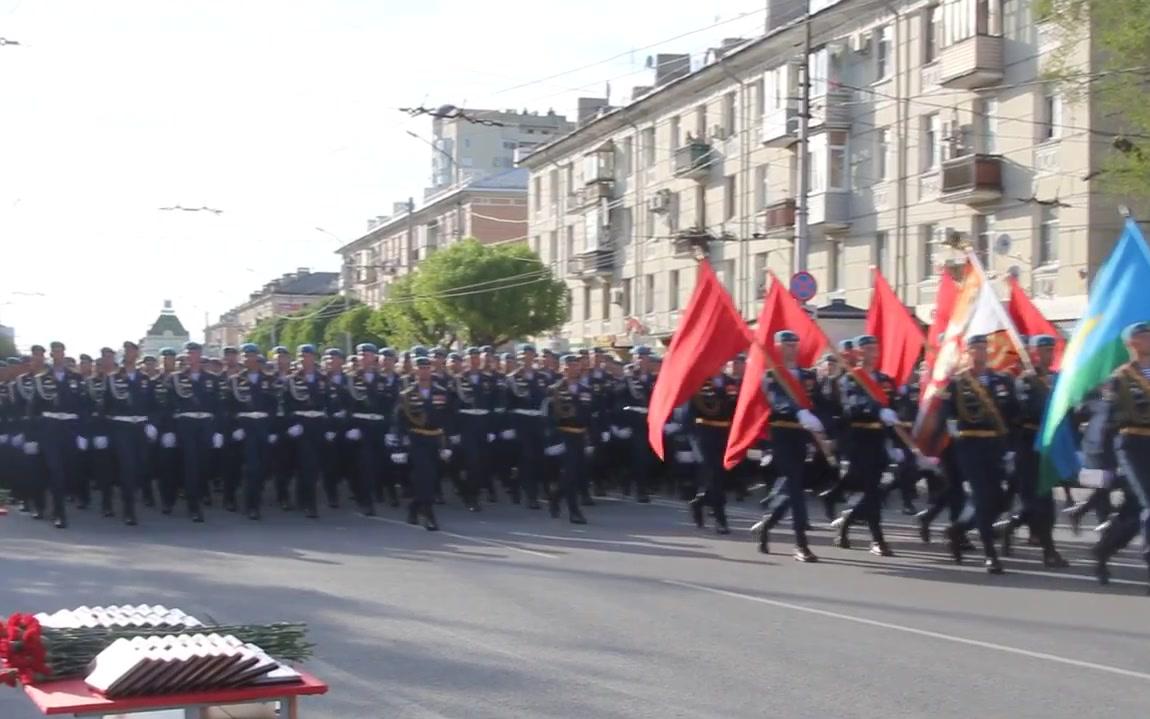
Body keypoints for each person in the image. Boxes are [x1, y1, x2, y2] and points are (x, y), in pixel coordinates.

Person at [939, 334, 1018, 574]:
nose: (981, 352)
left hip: (996, 445)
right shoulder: (957, 383)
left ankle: (958, 529)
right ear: (968, 352)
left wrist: (1010, 448)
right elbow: (947, 413)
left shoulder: (1002, 380)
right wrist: (953, 430)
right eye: (976, 348)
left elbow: (1012, 414)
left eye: (984, 348)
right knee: (983, 499)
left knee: (999, 500)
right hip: (970, 445)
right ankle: (990, 555)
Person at [750, 331, 827, 562]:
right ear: (777, 348)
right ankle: (800, 544)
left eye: (794, 344)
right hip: (782, 435)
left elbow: (821, 404)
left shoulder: (808, 375)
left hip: (803, 436)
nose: (791, 348)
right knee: (794, 488)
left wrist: (825, 430)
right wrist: (799, 411)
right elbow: (777, 401)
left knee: (792, 489)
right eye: (786, 345)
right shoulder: (772, 375)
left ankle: (766, 525)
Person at [1087, 321, 1150, 590]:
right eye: (1143, 335)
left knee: (1135, 512)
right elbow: (1105, 420)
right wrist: (1100, 463)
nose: (1148, 339)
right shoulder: (1120, 378)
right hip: (1132, 444)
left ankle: (1103, 550)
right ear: (1131, 343)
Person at [997, 335, 1069, 567]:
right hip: (1028, 444)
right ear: (1034, 353)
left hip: (1050, 445)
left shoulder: (1057, 378)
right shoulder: (1026, 381)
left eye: (1050, 350)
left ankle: (1010, 527)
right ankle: (1049, 551)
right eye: (1043, 350)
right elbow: (1031, 409)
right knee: (1036, 501)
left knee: (1045, 501)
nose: (1048, 354)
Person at [832, 335, 899, 557]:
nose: (872, 352)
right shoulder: (850, 379)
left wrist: (895, 442)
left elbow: (894, 409)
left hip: (880, 440)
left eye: (874, 348)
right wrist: (877, 410)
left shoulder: (885, 380)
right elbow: (852, 406)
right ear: (858, 353)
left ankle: (846, 521)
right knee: (870, 491)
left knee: (876, 491)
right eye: (867, 349)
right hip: (860, 441)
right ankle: (877, 539)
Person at [28, 342, 88, 528]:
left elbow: (83, 407)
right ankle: (57, 512)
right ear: (51, 356)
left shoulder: (76, 378)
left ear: (64, 354)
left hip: (69, 429)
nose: (57, 355)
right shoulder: (41, 379)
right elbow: (33, 409)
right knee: (53, 470)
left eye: (60, 351)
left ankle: (56, 507)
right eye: (54, 352)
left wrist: (82, 434)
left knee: (66, 470)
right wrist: (32, 437)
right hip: (49, 429)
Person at [166, 341, 224, 523]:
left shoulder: (212, 379)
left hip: (206, 424)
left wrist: (218, 431)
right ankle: (194, 506)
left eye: (196, 353)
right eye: (189, 354)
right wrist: (169, 430)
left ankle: (194, 494)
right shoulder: (175, 378)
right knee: (190, 464)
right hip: (186, 424)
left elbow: (219, 407)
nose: (192, 357)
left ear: (200, 356)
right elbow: (168, 405)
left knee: (204, 465)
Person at [393, 356, 453, 530]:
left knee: (433, 477)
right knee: (424, 475)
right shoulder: (407, 394)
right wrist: (398, 446)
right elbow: (399, 421)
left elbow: (448, 419)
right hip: (417, 439)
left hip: (436, 439)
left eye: (427, 368)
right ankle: (429, 514)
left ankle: (414, 506)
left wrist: (447, 444)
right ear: (414, 370)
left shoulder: (441, 392)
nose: (424, 371)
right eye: (420, 368)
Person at [102, 341, 157, 526]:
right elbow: (105, 407)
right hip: (121, 428)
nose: (130, 354)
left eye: (133, 351)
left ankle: (129, 494)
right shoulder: (112, 378)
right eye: (127, 351)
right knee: (128, 467)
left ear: (137, 354)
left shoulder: (144, 379)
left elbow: (152, 406)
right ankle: (129, 509)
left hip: (140, 427)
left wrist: (151, 424)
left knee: (141, 466)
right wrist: (106, 431)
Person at [225, 344, 279, 520]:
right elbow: (229, 408)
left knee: (264, 467)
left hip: (263, 427)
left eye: (252, 355)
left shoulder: (269, 380)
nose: (249, 359)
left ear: (258, 358)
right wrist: (236, 428)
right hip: (245, 427)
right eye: (246, 356)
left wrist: (272, 429)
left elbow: (274, 407)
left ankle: (253, 497)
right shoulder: (234, 380)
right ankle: (251, 505)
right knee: (250, 467)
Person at [541, 354, 592, 524]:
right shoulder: (554, 389)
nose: (575, 369)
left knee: (577, 474)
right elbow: (547, 417)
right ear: (564, 368)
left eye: (577, 366)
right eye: (571, 366)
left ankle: (555, 496)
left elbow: (590, 416)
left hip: (580, 435)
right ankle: (574, 511)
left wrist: (591, 439)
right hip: (564, 434)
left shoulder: (586, 390)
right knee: (570, 473)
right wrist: (553, 441)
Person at [282, 344, 329, 518]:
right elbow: (284, 405)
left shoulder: (323, 379)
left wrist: (328, 426)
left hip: (318, 425)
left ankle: (304, 497)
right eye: (301, 356)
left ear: (313, 357)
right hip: (300, 426)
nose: (304, 359)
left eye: (308, 356)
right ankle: (309, 503)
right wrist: (291, 424)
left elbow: (329, 404)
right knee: (305, 464)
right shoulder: (291, 380)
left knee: (314, 466)